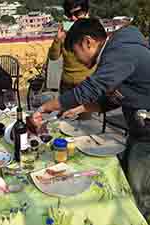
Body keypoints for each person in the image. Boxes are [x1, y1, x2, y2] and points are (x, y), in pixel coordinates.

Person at [34, 18, 150, 219]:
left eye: (75, 52)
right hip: (138, 128)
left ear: (88, 42)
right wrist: (81, 108)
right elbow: (113, 99)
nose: (77, 60)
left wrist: (46, 107)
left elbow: (90, 88)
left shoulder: (121, 52)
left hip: (146, 132)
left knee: (141, 191)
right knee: (126, 179)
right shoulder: (117, 53)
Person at [46, 0, 95, 119]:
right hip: (66, 87)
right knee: (65, 122)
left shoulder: (95, 32)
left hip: (85, 87)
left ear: (87, 12)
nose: (73, 18)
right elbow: (53, 57)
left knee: (84, 124)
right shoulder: (65, 34)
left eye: (77, 13)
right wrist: (58, 40)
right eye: (69, 15)